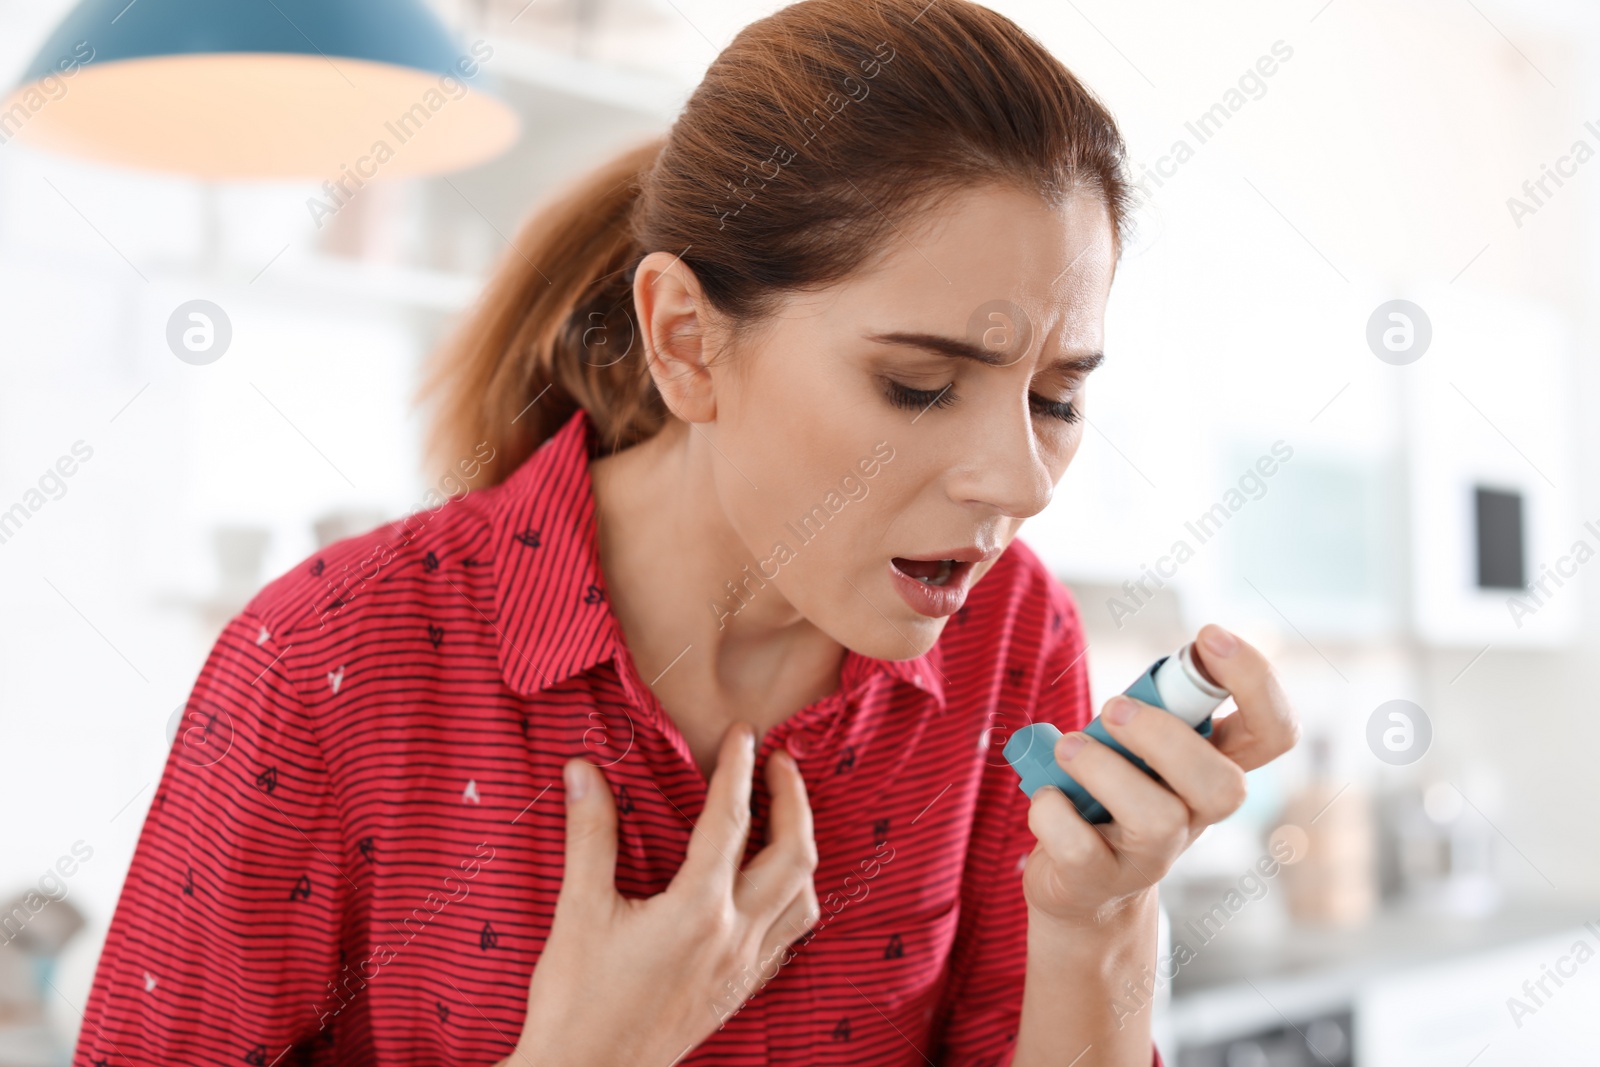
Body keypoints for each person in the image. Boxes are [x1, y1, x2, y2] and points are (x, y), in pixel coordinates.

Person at [72, 1, 1298, 1064]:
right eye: (920, 384)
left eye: (1056, 397)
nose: (1020, 482)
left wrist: (1100, 917)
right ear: (685, 341)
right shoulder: (331, 659)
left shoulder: (1012, 639)